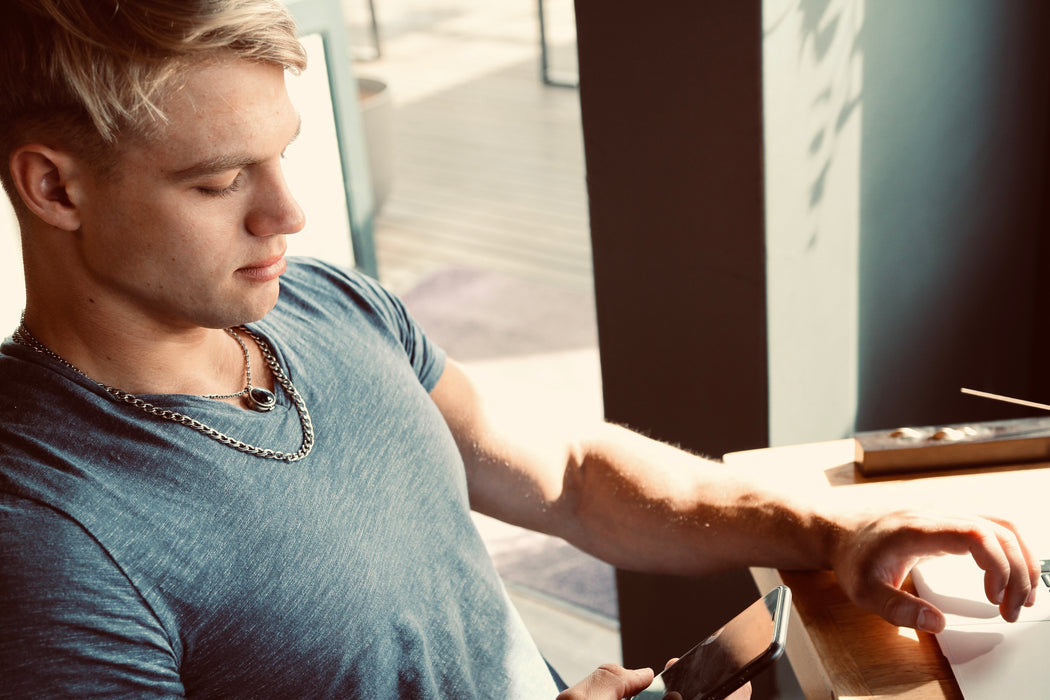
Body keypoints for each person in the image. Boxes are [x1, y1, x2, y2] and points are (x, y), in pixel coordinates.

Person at [0, 1, 1039, 698]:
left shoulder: (327, 307)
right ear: (56, 187)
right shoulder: (45, 542)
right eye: (218, 181)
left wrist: (828, 529)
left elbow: (570, 478)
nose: (289, 212)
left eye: (282, 157)